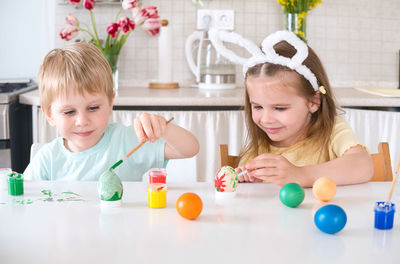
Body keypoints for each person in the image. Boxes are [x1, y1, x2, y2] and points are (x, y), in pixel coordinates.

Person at [24, 42, 199, 181]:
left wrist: (164, 128)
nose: (83, 121)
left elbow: (190, 149)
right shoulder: (47, 160)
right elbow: (26, 204)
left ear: (110, 103)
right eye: (69, 112)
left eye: (93, 108)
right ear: (49, 115)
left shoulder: (127, 141)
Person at [224, 31, 373, 187]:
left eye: (280, 108)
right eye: (258, 107)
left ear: (314, 101)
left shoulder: (332, 131)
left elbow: (363, 165)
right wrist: (245, 182)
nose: (266, 119)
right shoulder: (256, 153)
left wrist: (300, 175)